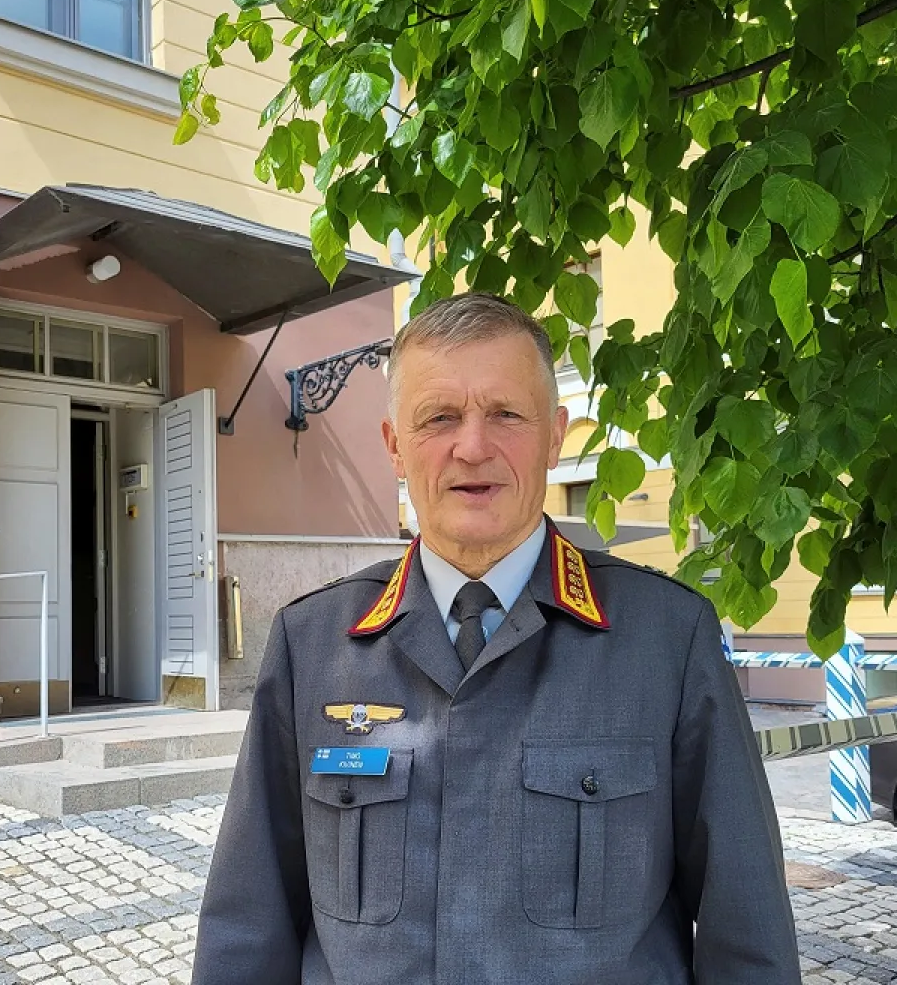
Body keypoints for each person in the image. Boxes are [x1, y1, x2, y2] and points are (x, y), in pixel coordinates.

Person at [192, 292, 800, 984]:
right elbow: (249, 921)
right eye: (438, 417)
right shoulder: (313, 643)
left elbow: (746, 930)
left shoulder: (668, 641)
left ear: (553, 436)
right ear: (395, 447)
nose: (472, 447)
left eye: (506, 414)